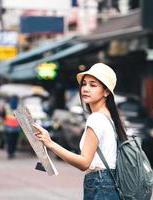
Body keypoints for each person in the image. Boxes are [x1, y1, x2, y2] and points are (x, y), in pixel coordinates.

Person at [33, 63, 127, 200]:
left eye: (93, 85)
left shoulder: (96, 119)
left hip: (100, 184)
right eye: (84, 84)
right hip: (110, 183)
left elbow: (84, 163)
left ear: (106, 91)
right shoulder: (109, 117)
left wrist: (50, 143)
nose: (86, 89)